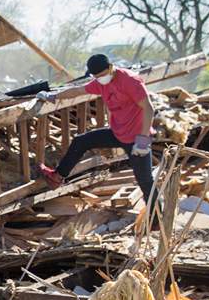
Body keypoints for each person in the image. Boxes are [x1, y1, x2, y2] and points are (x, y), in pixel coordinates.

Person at [35, 53, 157, 219]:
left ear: (110, 67)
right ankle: (57, 177)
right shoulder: (101, 83)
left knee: (145, 181)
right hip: (117, 133)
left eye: (102, 75)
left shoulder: (129, 81)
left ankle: (157, 219)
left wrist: (143, 142)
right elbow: (78, 91)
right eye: (97, 77)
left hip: (137, 138)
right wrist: (53, 96)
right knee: (82, 141)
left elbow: (149, 109)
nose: (100, 79)